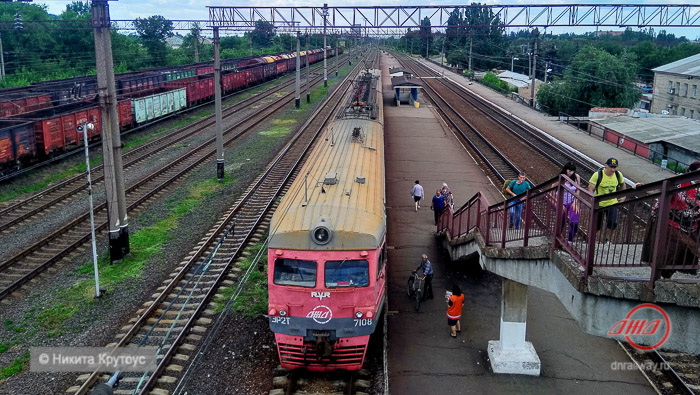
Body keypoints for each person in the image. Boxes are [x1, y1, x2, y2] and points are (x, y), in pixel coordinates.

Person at [642, 160, 700, 278]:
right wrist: (642, 188)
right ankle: (656, 278)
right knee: (670, 250)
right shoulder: (680, 181)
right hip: (670, 221)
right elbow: (661, 190)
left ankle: (667, 273)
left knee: (686, 250)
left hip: (690, 225)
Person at [588, 158, 626, 243]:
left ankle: (607, 240)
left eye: (614, 167)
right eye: (611, 167)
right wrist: (592, 199)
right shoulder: (597, 175)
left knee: (612, 223)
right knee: (597, 225)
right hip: (599, 204)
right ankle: (593, 240)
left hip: (612, 203)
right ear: (606, 165)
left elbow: (623, 184)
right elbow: (590, 187)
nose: (613, 169)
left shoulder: (618, 174)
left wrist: (624, 196)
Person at [559, 162, 581, 243]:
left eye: (572, 171)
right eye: (569, 170)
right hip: (562, 202)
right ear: (565, 169)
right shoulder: (561, 178)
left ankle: (570, 240)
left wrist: (575, 201)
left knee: (574, 222)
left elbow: (578, 189)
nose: (570, 172)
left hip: (572, 201)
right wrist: (560, 204)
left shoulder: (576, 177)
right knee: (561, 221)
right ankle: (558, 237)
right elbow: (553, 189)